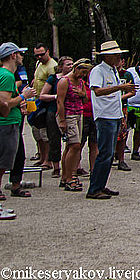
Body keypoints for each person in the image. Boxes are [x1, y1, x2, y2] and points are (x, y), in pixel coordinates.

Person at [86, 40, 135, 200]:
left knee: (109, 153)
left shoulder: (113, 70)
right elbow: (98, 91)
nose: (119, 58)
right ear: (107, 56)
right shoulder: (97, 71)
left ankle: (100, 184)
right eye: (116, 55)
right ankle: (94, 188)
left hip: (113, 115)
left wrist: (121, 116)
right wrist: (120, 88)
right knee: (105, 153)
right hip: (104, 115)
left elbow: (114, 97)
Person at [0, 42, 37, 214]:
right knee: (2, 164)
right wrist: (24, 95)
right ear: (13, 55)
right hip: (6, 125)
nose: (22, 57)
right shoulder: (7, 76)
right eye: (19, 53)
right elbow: (4, 103)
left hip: (9, 123)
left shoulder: (6, 75)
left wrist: (18, 104)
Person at [56, 58, 91, 191]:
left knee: (70, 146)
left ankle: (65, 176)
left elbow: (86, 99)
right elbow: (60, 101)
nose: (82, 75)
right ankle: (70, 176)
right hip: (69, 114)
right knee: (75, 145)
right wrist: (62, 120)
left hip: (79, 113)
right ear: (76, 68)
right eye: (82, 71)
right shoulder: (65, 81)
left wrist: (82, 93)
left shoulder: (81, 82)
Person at [39, 56, 72, 178]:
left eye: (72, 64)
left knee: (74, 140)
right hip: (53, 111)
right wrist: (57, 96)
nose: (70, 66)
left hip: (70, 111)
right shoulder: (53, 79)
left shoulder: (75, 79)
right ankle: (56, 167)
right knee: (54, 139)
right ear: (60, 66)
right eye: (68, 64)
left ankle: (73, 167)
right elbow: (42, 95)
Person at [30, 43, 56, 169]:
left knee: (45, 133)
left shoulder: (52, 66)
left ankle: (48, 160)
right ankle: (41, 156)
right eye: (37, 55)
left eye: (41, 54)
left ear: (48, 52)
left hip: (46, 102)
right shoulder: (39, 63)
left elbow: (53, 84)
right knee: (37, 131)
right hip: (36, 100)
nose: (39, 57)